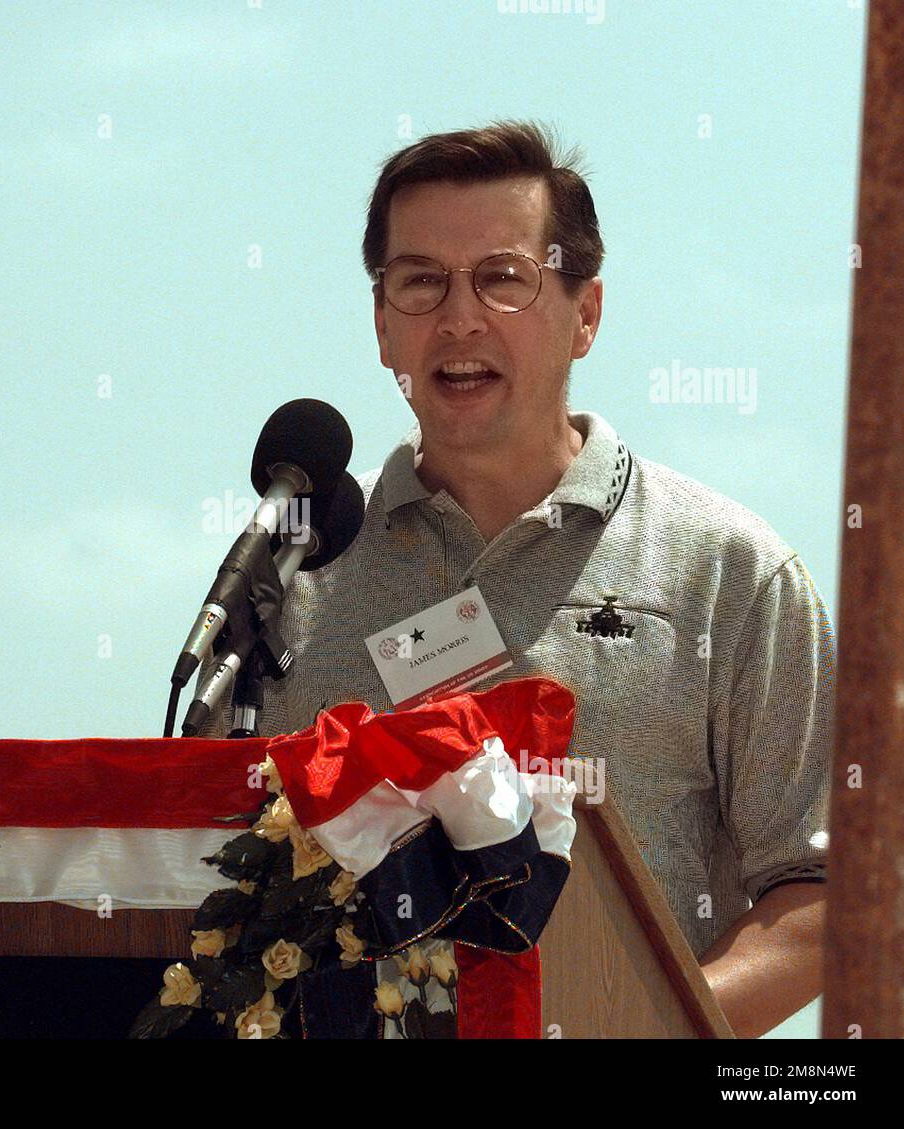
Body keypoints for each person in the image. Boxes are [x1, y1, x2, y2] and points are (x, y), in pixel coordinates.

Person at [197, 121, 833, 1038]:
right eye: (421, 282)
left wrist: (626, 1025)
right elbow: (214, 860)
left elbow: (823, 898)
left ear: (587, 313)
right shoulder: (299, 561)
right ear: (383, 325)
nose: (460, 317)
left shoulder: (728, 572)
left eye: (503, 278)